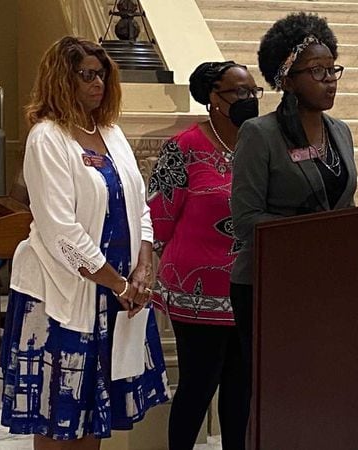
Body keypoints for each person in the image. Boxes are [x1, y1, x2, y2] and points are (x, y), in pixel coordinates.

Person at [0, 36, 169, 449]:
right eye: (86, 75)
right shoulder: (47, 138)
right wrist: (119, 283)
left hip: (111, 296)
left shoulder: (110, 132)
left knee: (93, 416)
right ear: (61, 79)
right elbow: (61, 232)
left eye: (102, 74)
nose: (97, 83)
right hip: (61, 299)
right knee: (58, 416)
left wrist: (144, 266)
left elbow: (139, 206)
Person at [230, 11, 358, 438]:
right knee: (277, 393)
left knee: (325, 390)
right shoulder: (259, 134)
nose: (330, 80)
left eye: (333, 68)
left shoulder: (340, 132)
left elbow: (343, 205)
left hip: (329, 285)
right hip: (269, 285)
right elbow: (245, 220)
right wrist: (314, 239)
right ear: (286, 77)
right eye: (317, 71)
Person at [147, 61, 260, 450]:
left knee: (241, 390)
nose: (249, 100)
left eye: (253, 92)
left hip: (250, 289)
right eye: (239, 93)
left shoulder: (261, 143)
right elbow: (159, 215)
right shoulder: (183, 147)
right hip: (195, 291)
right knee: (197, 386)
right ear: (214, 98)